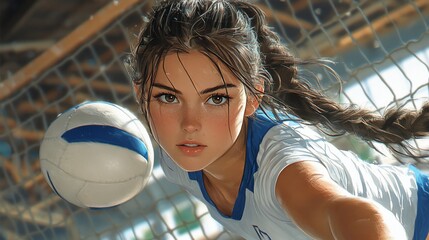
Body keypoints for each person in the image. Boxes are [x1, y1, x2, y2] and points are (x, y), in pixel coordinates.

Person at [128, 0, 429, 239]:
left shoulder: (281, 166)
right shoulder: (176, 159)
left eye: (216, 98)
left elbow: (360, 217)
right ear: (140, 92)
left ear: (254, 96)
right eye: (168, 97)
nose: (189, 123)